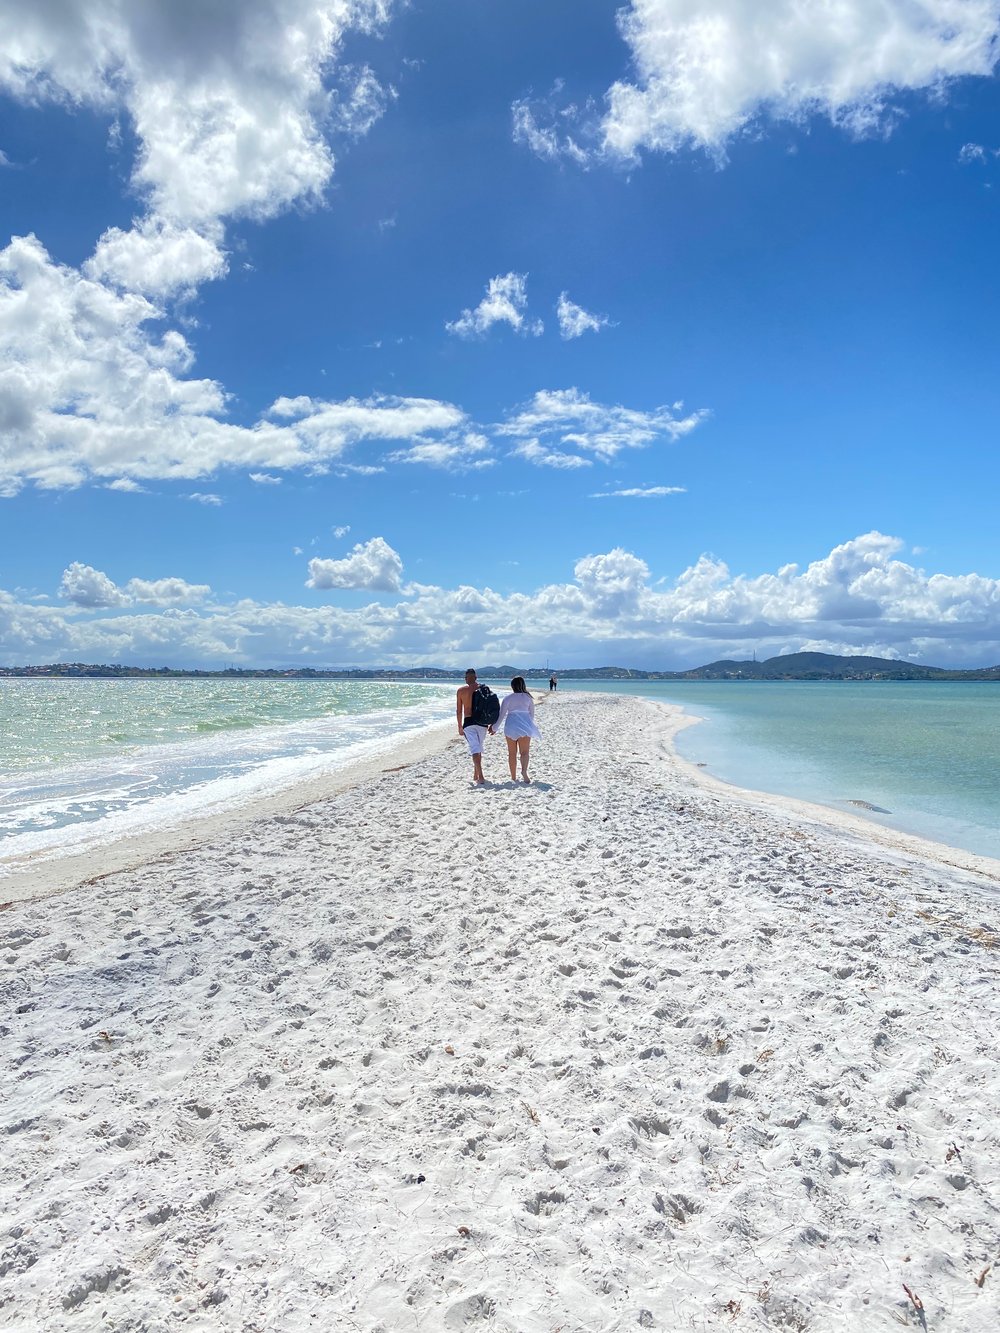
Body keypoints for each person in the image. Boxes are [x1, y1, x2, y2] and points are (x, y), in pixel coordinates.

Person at [492, 676, 540, 783]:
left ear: (512, 686)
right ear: (523, 685)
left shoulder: (508, 698)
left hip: (511, 727)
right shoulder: (528, 698)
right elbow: (532, 715)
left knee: (512, 753)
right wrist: (529, 726)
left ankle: (513, 777)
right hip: (524, 726)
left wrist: (494, 728)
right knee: (525, 752)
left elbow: (501, 715)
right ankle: (524, 771)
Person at [456, 668, 488, 784]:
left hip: (469, 722)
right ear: (476, 677)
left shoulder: (461, 691)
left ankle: (481, 776)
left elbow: (459, 711)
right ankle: (476, 773)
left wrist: (459, 726)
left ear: (465, 679)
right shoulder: (482, 688)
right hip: (482, 722)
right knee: (478, 747)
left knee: (475, 748)